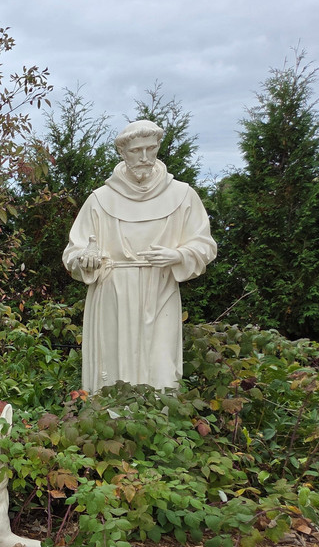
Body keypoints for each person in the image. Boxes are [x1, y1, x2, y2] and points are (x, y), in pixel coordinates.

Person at [62, 119, 217, 393]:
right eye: (136, 151)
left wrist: (179, 255)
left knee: (160, 367)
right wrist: (86, 259)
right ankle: (107, 424)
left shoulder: (182, 195)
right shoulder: (100, 199)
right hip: (112, 295)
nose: (145, 157)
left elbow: (205, 245)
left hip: (160, 291)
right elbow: (74, 252)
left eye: (151, 149)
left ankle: (158, 425)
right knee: (112, 367)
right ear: (123, 153)